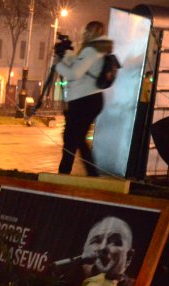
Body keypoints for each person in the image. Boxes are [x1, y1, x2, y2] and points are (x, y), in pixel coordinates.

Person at [54, 21, 114, 176]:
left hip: (82, 101)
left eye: (85, 31)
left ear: (89, 32)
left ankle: (64, 174)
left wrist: (57, 64)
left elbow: (74, 73)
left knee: (71, 139)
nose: (83, 33)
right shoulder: (99, 50)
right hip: (91, 99)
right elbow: (80, 66)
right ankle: (91, 174)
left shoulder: (90, 50)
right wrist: (68, 55)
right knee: (78, 139)